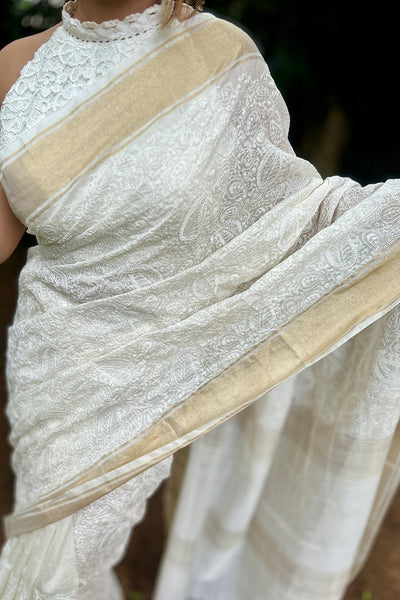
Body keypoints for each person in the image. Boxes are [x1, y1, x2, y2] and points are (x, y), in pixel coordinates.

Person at [0, 1, 399, 598]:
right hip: (53, 369)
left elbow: (288, 215)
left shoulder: (218, 53)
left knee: (53, 571)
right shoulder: (13, 65)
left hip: (153, 368)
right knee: (59, 567)